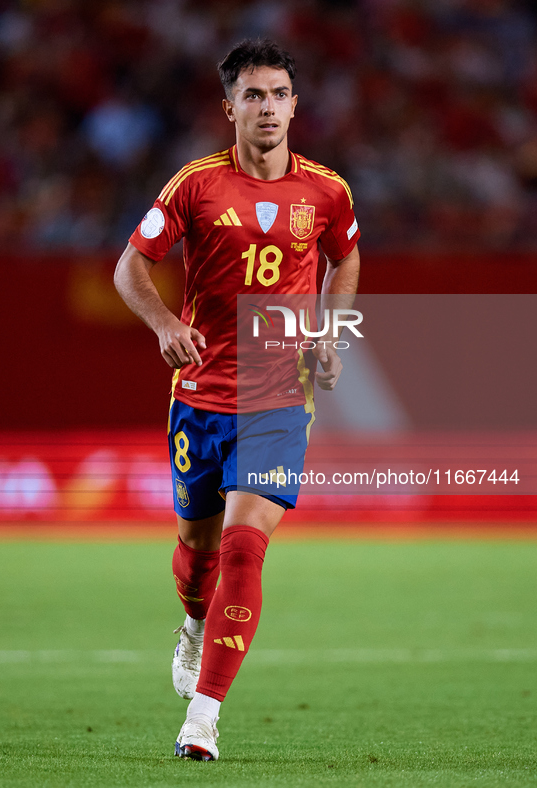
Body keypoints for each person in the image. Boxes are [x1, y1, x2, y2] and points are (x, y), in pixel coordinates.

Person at [114, 38, 360, 761]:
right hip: (199, 396)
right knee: (196, 555)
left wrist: (328, 333)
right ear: (230, 108)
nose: (267, 107)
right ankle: (193, 623)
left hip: (277, 398)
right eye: (252, 95)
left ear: (294, 106)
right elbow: (132, 265)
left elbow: (344, 254)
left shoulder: (326, 191)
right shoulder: (193, 185)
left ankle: (203, 716)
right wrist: (163, 323)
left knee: (243, 549)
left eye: (279, 94)